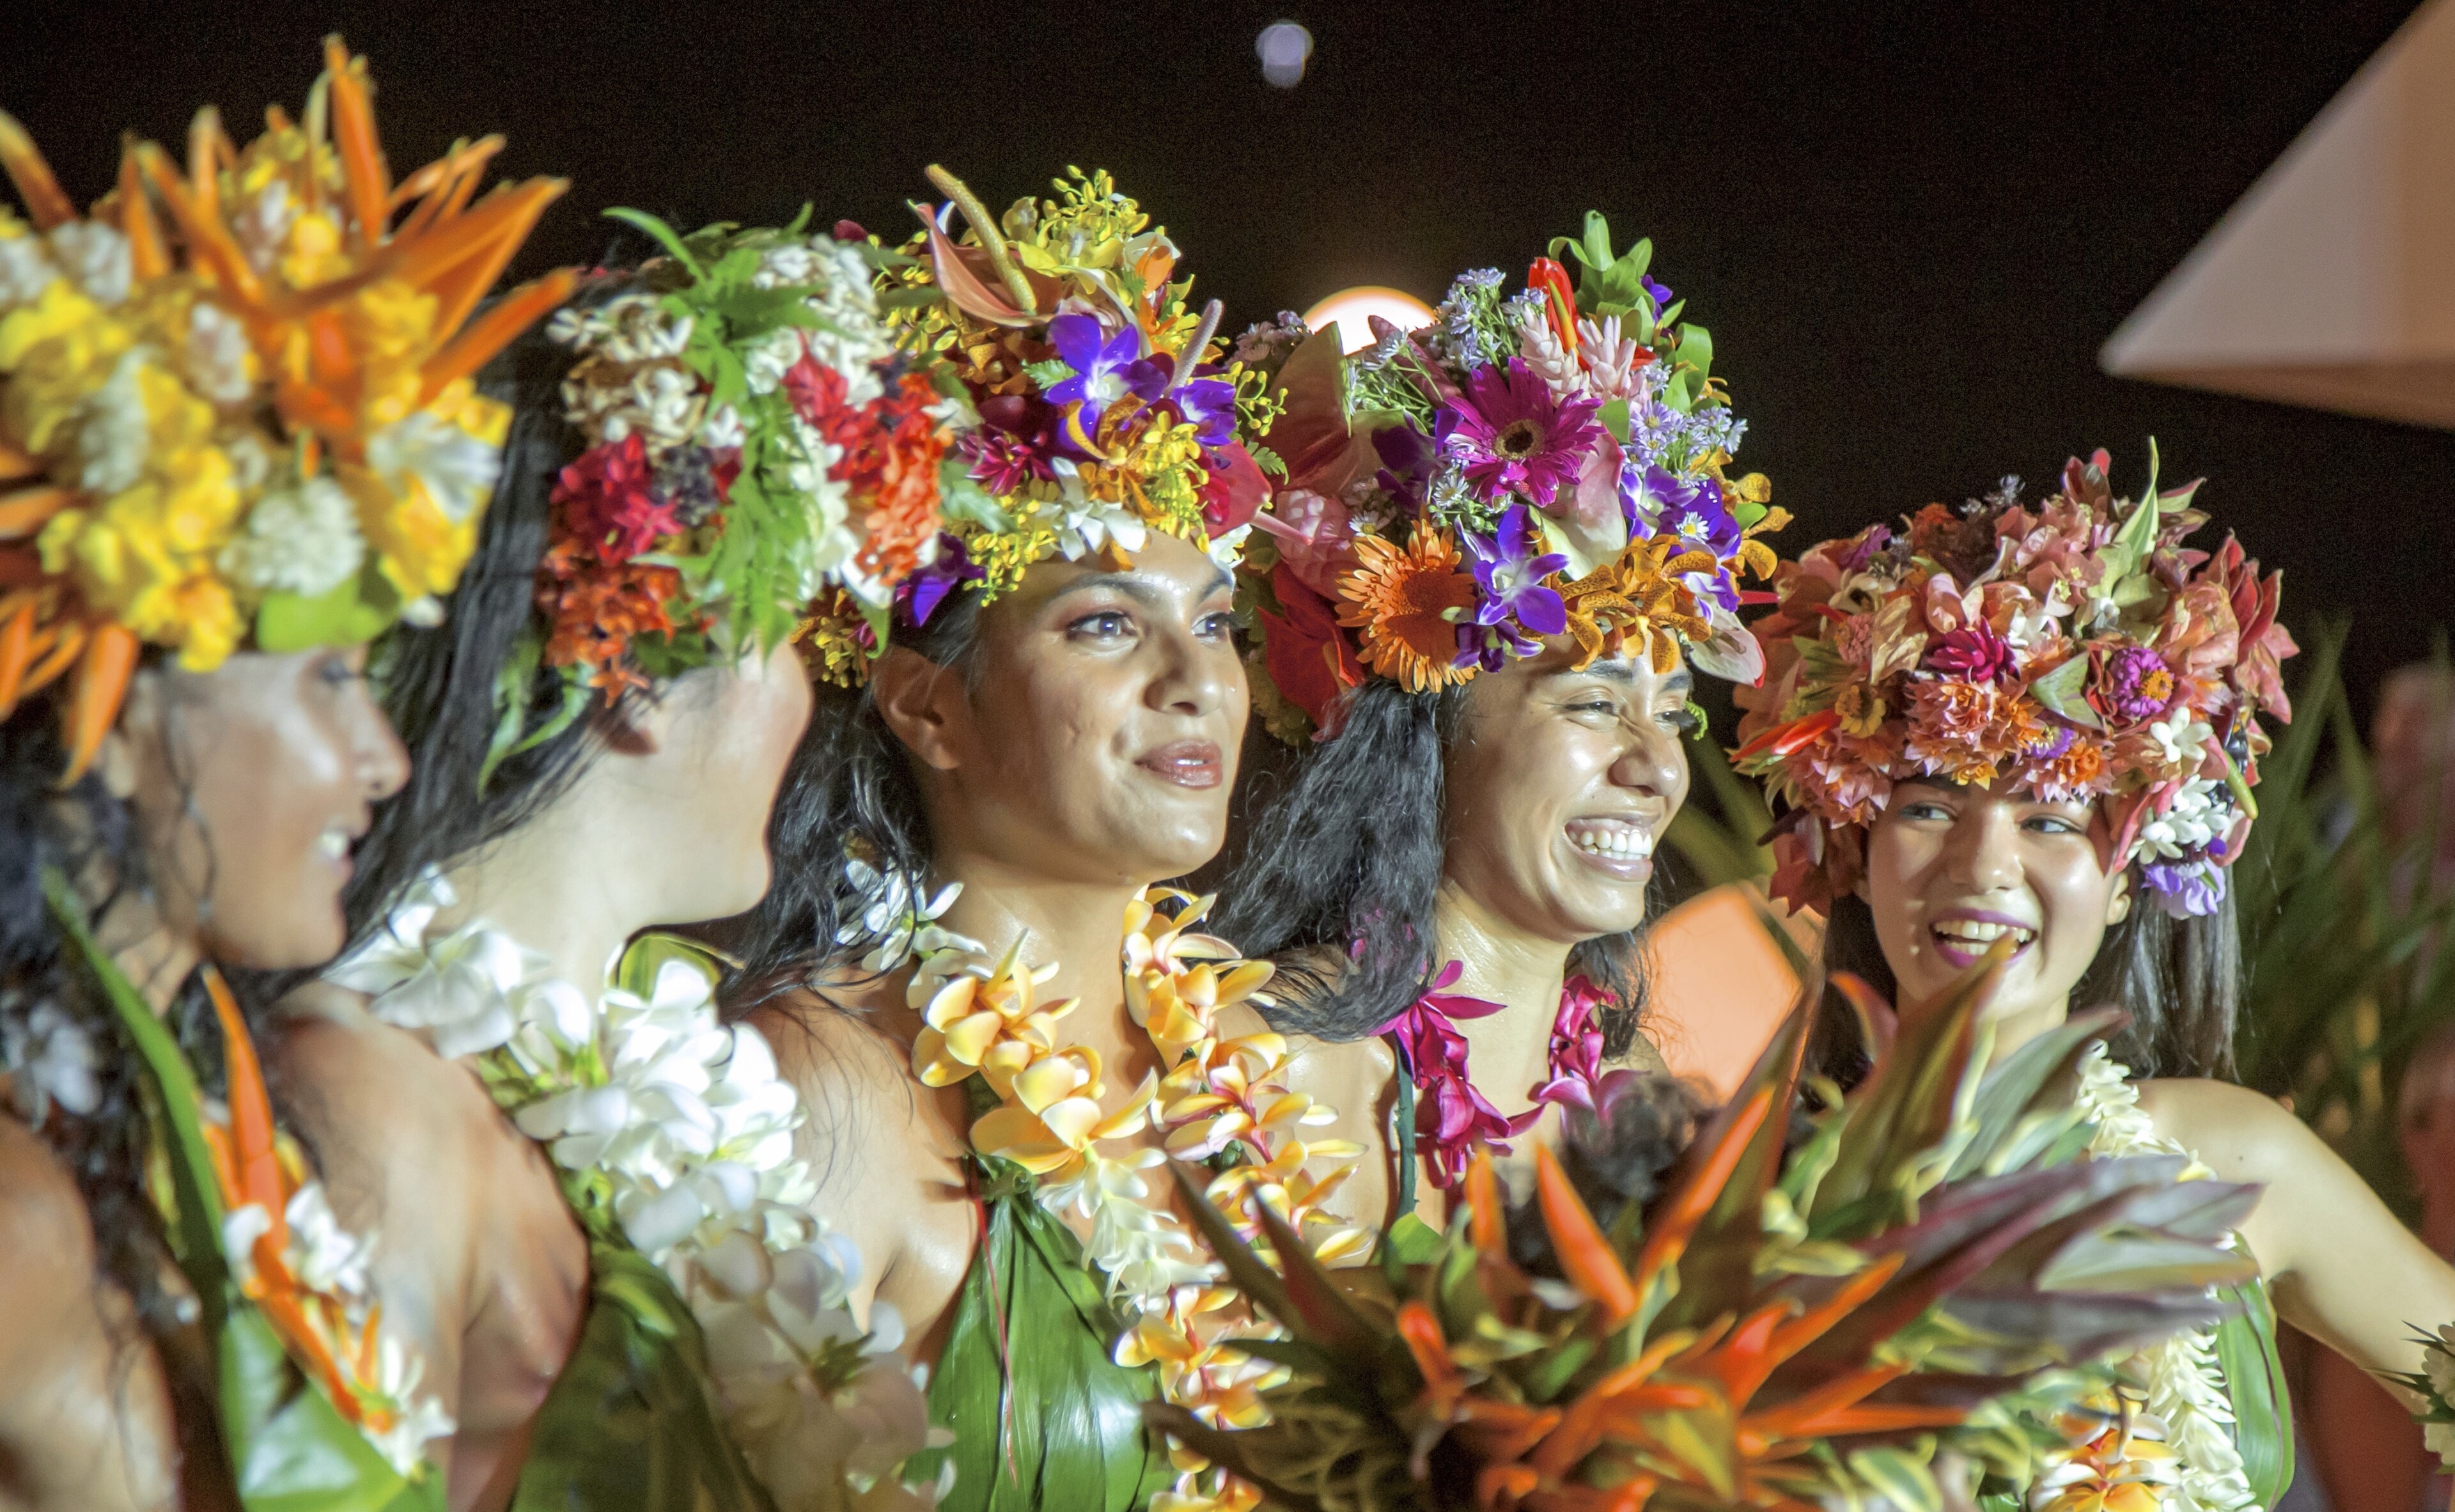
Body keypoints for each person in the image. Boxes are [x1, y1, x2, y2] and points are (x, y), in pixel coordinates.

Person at [269, 213, 964, 1512]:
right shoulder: (379, 1096)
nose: (809, 704)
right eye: (784, 640)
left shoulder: (662, 1077)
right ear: (641, 676)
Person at [726, 166, 1354, 1512]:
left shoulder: (1236, 1074)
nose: (1198, 679)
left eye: (1215, 621)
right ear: (928, 707)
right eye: (1105, 624)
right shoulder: (820, 1085)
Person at [0, 39, 566, 1508]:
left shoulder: (211, 1115)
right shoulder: (18, 1219)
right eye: (327, 677)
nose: (385, 758)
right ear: (118, 711)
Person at [1733, 448, 2455, 1510]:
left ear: (2125, 882)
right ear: (1853, 850)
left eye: (2049, 821)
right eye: (1930, 808)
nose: (1981, 867)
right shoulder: (1764, 1193)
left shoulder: (2224, 1156)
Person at [1213, 217, 1784, 1226]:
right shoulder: (1268, 1064)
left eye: (1672, 713)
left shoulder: (1641, 1099)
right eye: (1597, 702)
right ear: (1430, 725)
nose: (1658, 769)